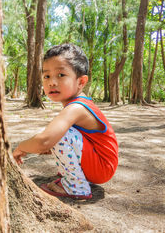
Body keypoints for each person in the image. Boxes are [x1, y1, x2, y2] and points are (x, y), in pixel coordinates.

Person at [13, 43, 118, 199]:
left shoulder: (77, 107)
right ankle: (73, 179)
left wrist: (21, 147)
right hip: (98, 166)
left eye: (61, 75)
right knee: (57, 134)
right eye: (46, 76)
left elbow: (45, 141)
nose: (52, 82)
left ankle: (76, 187)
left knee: (58, 135)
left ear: (81, 82)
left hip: (102, 167)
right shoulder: (75, 106)